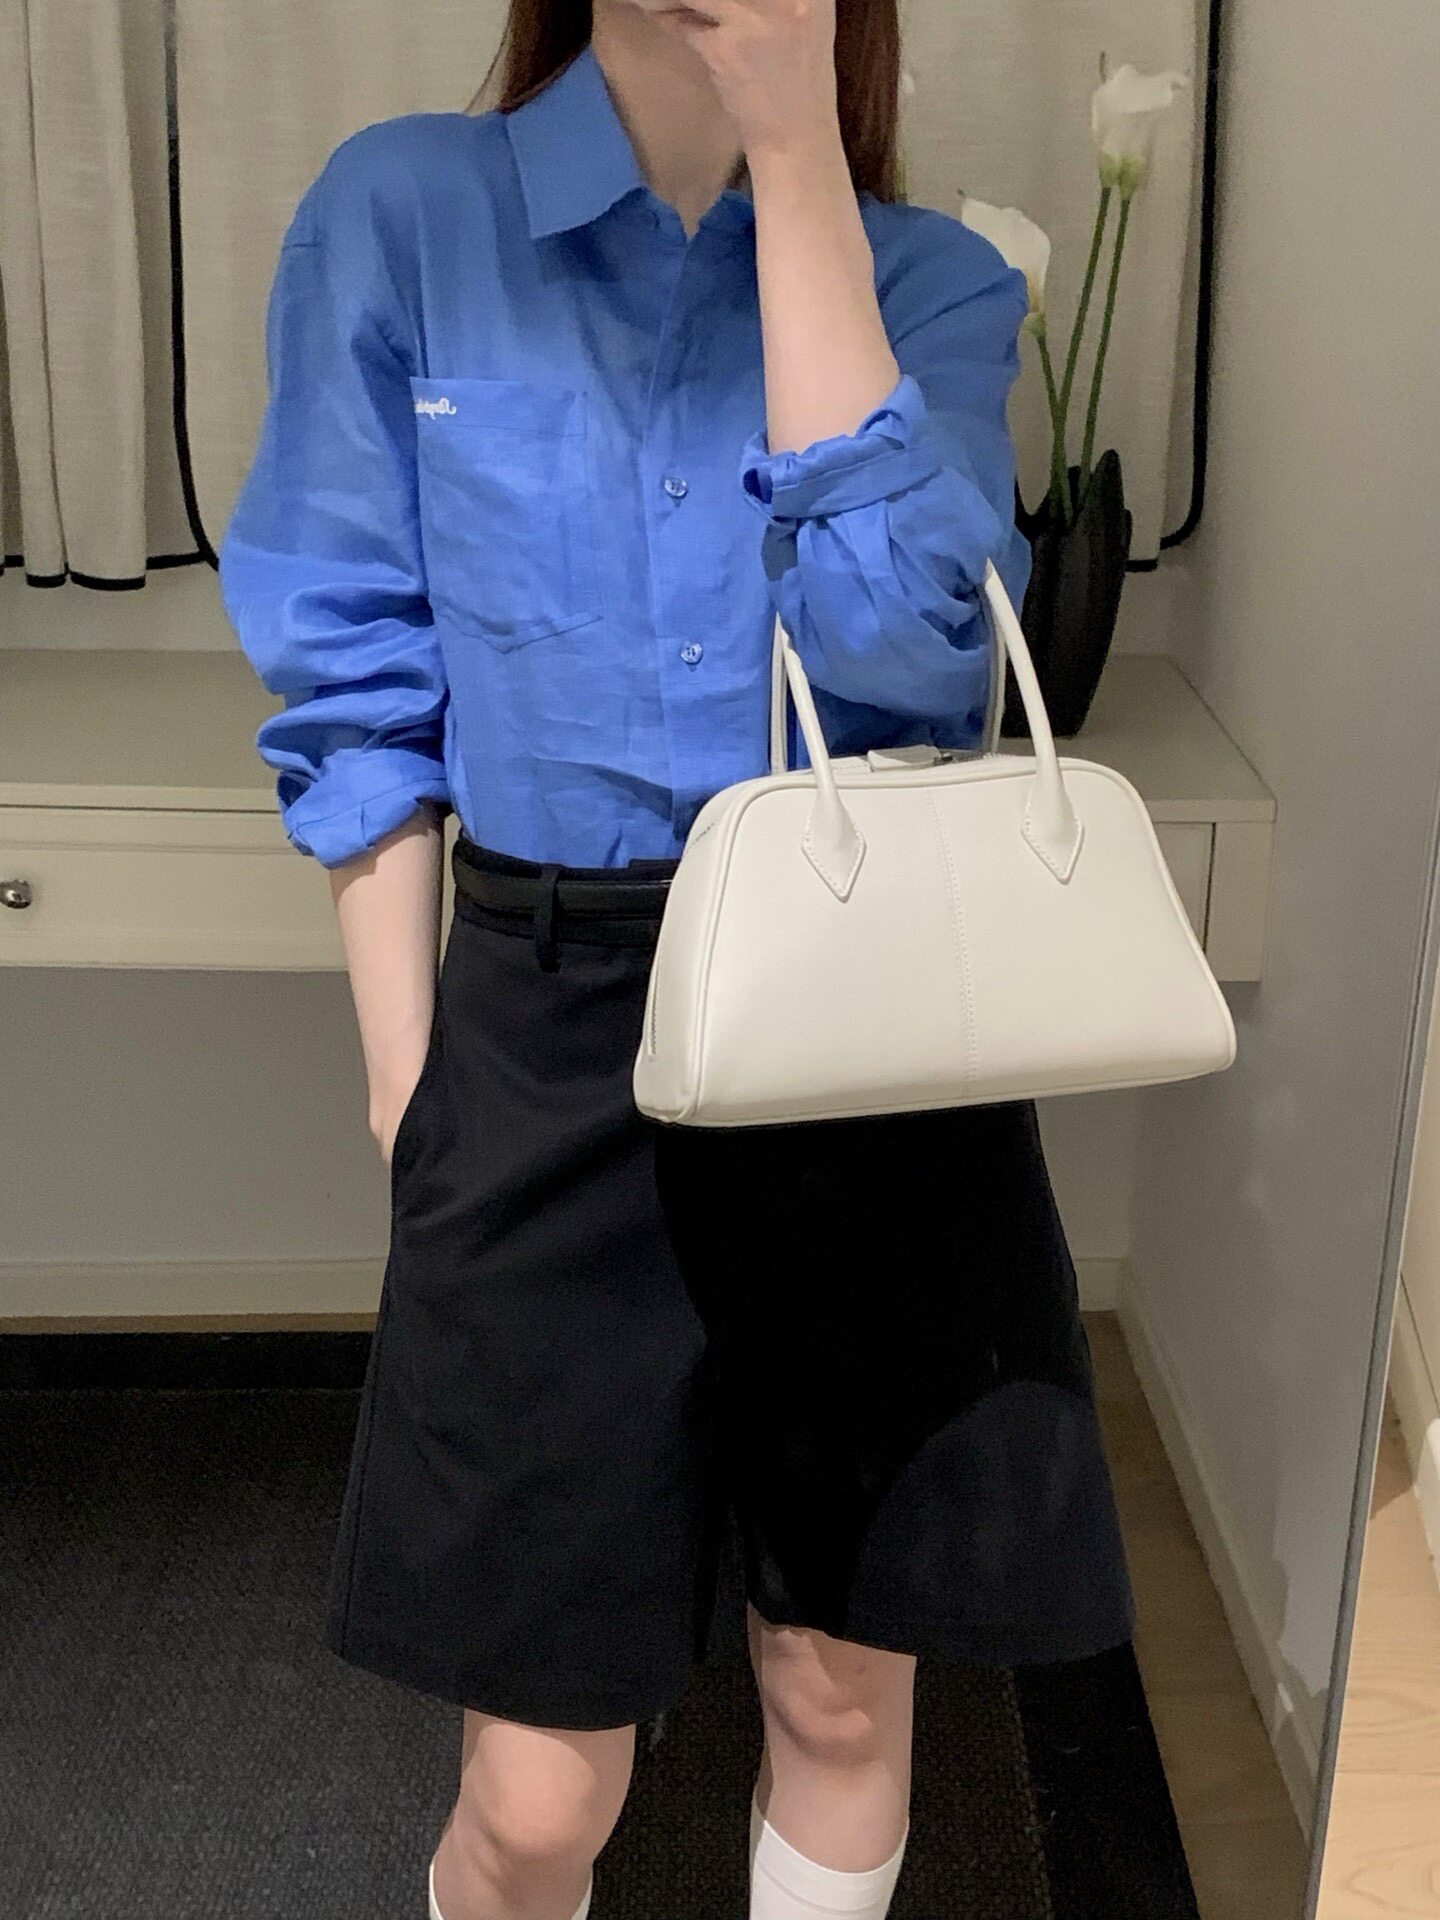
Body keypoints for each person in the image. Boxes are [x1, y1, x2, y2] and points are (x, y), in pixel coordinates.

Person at [218, 3, 1137, 1917]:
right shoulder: (406, 214)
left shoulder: (932, 281)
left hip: (861, 1028)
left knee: (841, 1696)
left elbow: (908, 658)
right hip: (544, 1021)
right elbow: (355, 676)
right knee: (538, 1793)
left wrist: (797, 161)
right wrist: (409, 1089)